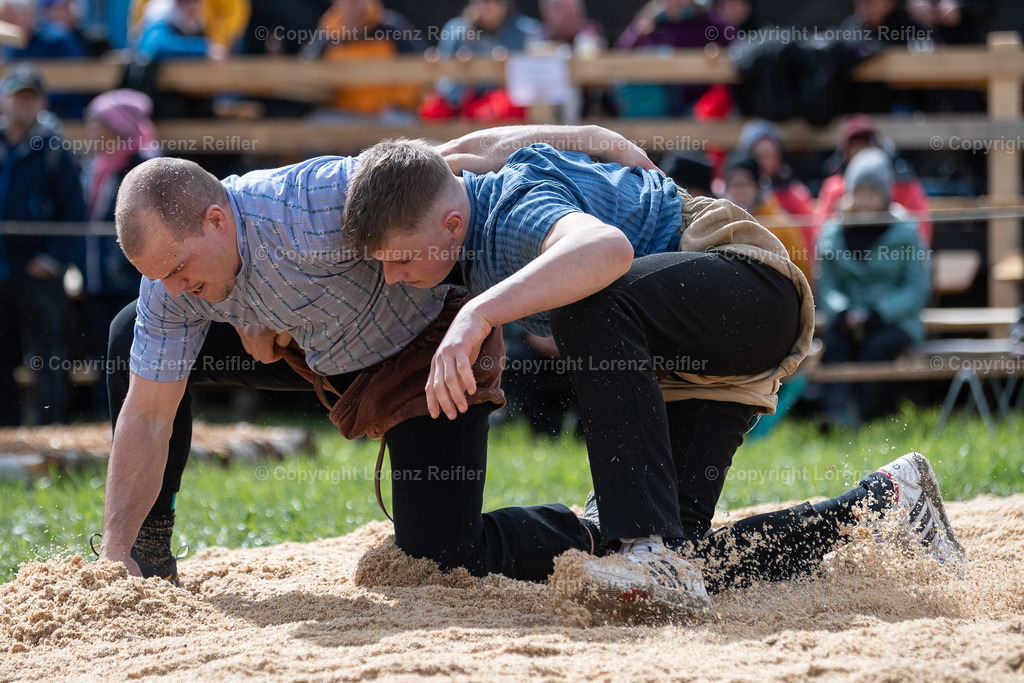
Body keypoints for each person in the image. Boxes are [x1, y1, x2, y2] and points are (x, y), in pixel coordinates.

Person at [342, 139, 962, 615]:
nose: (393, 277)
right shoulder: (460, 182)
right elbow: (488, 143)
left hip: (747, 285)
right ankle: (885, 505)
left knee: (590, 298)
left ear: (451, 225)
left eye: (399, 260)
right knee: (680, 565)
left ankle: (647, 547)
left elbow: (605, 251)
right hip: (683, 357)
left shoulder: (510, 212)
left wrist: (477, 313)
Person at [94, 124, 658, 589]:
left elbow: (450, 158)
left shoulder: (313, 200)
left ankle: (589, 528)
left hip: (422, 353)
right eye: (156, 275)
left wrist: (594, 139)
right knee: (131, 332)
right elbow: (148, 414)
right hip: (316, 349)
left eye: (177, 269)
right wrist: (114, 554)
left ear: (216, 221)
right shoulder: (171, 287)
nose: (170, 288)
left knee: (440, 561)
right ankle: (147, 549)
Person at [815, 148, 931, 429]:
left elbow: (916, 289)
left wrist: (879, 313)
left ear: (885, 195)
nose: (864, 201)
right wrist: (842, 311)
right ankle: (836, 413)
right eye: (859, 192)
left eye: (872, 193)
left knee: (876, 348)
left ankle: (868, 418)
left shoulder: (906, 232)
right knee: (834, 345)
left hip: (894, 319)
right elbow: (827, 284)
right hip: (848, 318)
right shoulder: (832, 233)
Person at [0, 65, 86, 425]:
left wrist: (51, 259)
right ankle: (6, 427)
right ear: (5, 99)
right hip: (2, 266)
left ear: (41, 102)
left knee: (46, 353)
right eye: (17, 96)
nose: (23, 103)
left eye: (30, 97)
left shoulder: (55, 148)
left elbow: (74, 210)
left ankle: (49, 426)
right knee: (3, 353)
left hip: (37, 269)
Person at [78, 89, 159, 420]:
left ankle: (137, 419)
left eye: (99, 124)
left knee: (134, 350)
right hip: (97, 280)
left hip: (131, 280)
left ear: (118, 128)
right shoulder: (96, 165)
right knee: (104, 351)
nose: (93, 132)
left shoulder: (145, 168)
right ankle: (105, 416)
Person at [814, 114, 933, 247]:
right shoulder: (834, 188)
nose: (860, 155)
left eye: (864, 146)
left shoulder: (903, 184)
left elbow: (920, 237)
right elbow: (822, 239)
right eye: (853, 148)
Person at [300, 0, 426, 121]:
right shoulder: (328, 32)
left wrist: (397, 103)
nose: (353, 3)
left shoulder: (390, 26)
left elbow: (417, 67)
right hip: (345, 113)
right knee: (315, 123)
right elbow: (308, 69)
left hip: (387, 112)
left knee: (399, 123)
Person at [421, 0, 540, 121]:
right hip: (461, 105)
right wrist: (464, 72)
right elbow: (443, 83)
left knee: (507, 108)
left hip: (501, 106)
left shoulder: (527, 32)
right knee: (434, 110)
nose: (487, 6)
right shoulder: (455, 31)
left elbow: (536, 78)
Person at [614, 0, 730, 117]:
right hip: (659, 104)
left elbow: (735, 45)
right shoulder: (649, 20)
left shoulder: (706, 19)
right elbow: (622, 53)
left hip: (698, 102)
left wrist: (716, 52)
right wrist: (639, 33)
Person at [721, 154, 812, 286]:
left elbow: (802, 275)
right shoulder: (720, 223)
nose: (740, 190)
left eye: (746, 183)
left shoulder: (781, 224)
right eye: (734, 184)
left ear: (758, 187)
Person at [736, 119, 815, 248]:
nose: (763, 162)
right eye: (757, 155)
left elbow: (807, 244)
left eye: (769, 155)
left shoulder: (796, 196)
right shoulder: (730, 193)